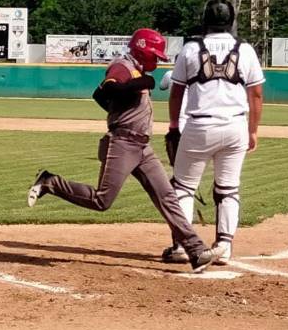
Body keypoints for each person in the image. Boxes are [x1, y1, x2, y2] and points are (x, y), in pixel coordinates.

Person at [27, 28, 224, 273]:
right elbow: (108, 90)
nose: (157, 60)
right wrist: (142, 84)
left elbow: (99, 95)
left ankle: (196, 252)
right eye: (154, 55)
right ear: (143, 50)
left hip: (143, 146)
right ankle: (49, 182)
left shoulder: (136, 69)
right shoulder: (122, 66)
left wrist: (123, 101)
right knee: (102, 200)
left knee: (167, 197)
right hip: (122, 143)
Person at [161, 0, 265, 266]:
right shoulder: (246, 50)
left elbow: (177, 92)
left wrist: (174, 125)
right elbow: (256, 94)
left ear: (204, 19)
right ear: (230, 21)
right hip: (235, 125)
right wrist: (253, 131)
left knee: (183, 187)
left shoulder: (190, 49)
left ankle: (184, 247)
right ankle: (224, 247)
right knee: (228, 189)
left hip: (199, 126)